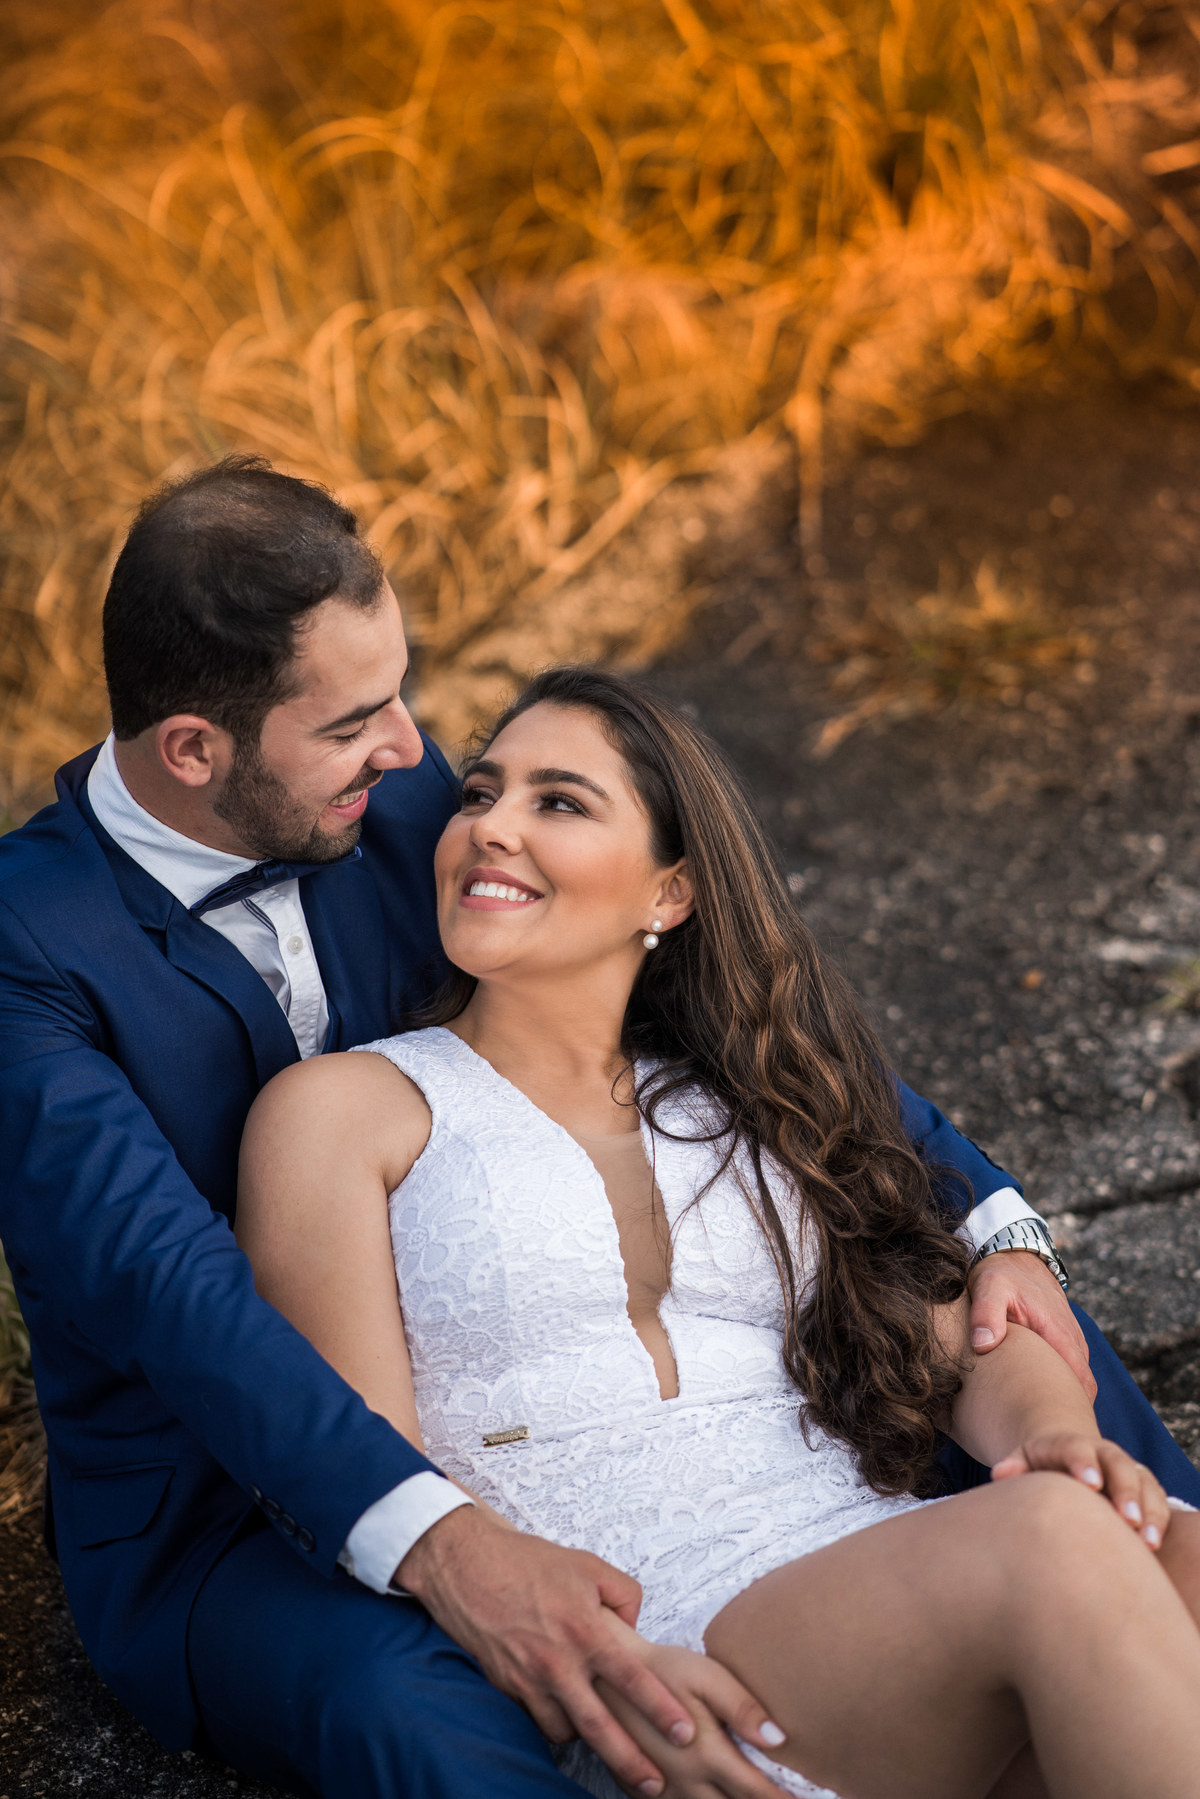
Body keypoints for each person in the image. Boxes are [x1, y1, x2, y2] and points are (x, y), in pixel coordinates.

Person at [0, 457, 1192, 1799]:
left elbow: (750, 1033)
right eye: (357, 721)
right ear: (194, 751)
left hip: (701, 1437)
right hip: (226, 1497)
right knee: (429, 1711)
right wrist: (454, 1540)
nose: (414, 753)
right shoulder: (29, 945)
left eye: (407, 690)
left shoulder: (398, 799)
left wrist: (996, 1219)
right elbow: (175, 1291)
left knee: (1035, 1356)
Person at [237, 665, 1200, 1799]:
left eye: (558, 801)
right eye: (479, 794)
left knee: (1159, 1541)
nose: (489, 826)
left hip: (876, 1579)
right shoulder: (346, 1108)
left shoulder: (749, 1100)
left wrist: (1052, 1435)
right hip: (659, 1631)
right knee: (1053, 1542)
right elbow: (357, 1455)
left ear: (672, 893)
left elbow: (951, 1328)